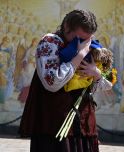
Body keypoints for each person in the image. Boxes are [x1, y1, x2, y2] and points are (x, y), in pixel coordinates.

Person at [19, 9, 111, 152]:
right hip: (54, 123)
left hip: (83, 123)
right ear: (67, 27)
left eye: (87, 38)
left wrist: (96, 73)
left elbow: (105, 84)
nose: (83, 42)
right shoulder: (49, 42)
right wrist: (79, 55)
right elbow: (52, 83)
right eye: (78, 38)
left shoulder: (89, 44)